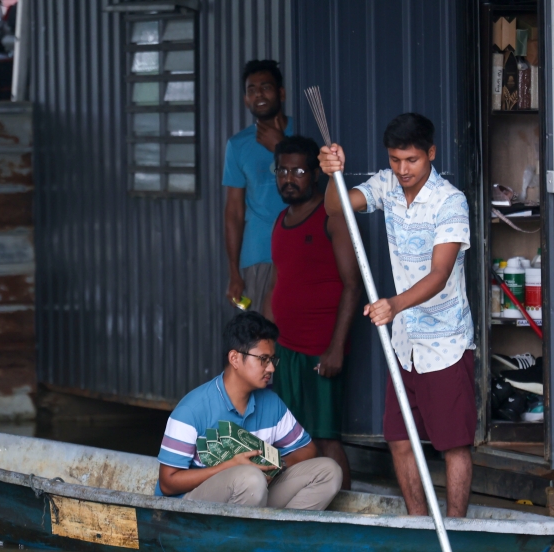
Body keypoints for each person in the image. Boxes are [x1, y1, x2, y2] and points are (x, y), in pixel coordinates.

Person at [318, 113, 475, 518]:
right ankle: (419, 524)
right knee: (399, 439)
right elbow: (336, 208)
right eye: (395, 160)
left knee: (453, 444)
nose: (402, 170)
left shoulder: (450, 201)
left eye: (412, 160)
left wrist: (394, 305)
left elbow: (440, 275)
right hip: (404, 344)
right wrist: (332, 173)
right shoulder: (386, 185)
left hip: (445, 343)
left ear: (431, 155)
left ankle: (457, 528)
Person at [156, 311, 342, 510]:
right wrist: (230, 467)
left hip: (254, 491)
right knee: (250, 478)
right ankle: (238, 538)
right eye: (263, 359)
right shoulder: (192, 410)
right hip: (191, 507)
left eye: (273, 360)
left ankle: (280, 537)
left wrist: (272, 467)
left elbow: (308, 449)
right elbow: (168, 483)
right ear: (235, 358)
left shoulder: (271, 404)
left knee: (329, 471)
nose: (271, 368)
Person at [262, 135, 361, 489]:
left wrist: (336, 348)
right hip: (285, 349)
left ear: (316, 174)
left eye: (299, 171)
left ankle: (347, 517)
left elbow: (353, 284)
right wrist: (260, 346)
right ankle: (302, 508)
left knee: (325, 439)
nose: (289, 178)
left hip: (320, 350)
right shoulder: (279, 220)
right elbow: (276, 284)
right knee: (289, 438)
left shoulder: (331, 216)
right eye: (282, 171)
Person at [223, 59, 294, 312]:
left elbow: (320, 187)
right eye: (251, 90)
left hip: (300, 250)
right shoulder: (238, 145)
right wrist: (233, 271)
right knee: (262, 341)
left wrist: (281, 147)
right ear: (245, 99)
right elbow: (233, 212)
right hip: (258, 256)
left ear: (281, 93)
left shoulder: (302, 134)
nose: (258, 95)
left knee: (297, 337)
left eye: (266, 87)